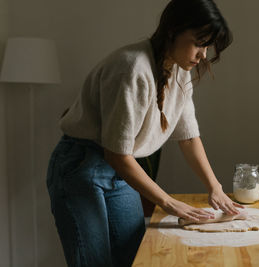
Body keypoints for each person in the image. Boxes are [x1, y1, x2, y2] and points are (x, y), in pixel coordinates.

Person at [46, 0, 243, 266]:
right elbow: (116, 154)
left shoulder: (180, 70)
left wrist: (215, 187)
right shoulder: (132, 68)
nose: (203, 56)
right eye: (199, 43)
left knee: (134, 256)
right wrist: (168, 202)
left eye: (207, 47)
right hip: (81, 164)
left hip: (122, 167)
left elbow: (188, 136)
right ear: (173, 30)